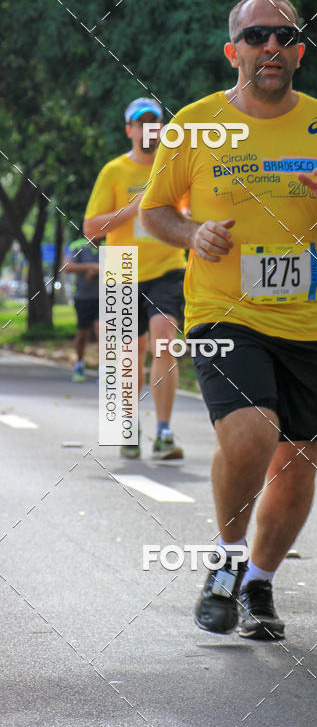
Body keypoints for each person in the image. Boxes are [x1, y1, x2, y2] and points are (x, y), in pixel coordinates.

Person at [140, 0, 317, 640]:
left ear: (298, 52)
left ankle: (260, 586)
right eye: (256, 37)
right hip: (223, 311)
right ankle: (225, 561)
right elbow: (152, 212)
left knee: (296, 465)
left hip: (309, 322)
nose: (270, 46)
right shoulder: (194, 124)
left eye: (283, 36)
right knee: (250, 433)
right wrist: (192, 235)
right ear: (233, 51)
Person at [83, 98, 187, 460]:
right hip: (121, 266)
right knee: (129, 354)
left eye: (154, 123)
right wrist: (134, 209)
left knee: (163, 341)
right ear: (130, 130)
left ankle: (163, 431)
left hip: (168, 265)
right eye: (140, 124)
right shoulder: (113, 171)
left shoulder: (176, 167)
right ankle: (127, 424)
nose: (148, 130)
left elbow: (195, 212)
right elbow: (91, 228)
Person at [63, 237, 101, 382]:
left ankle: (104, 369)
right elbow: (67, 267)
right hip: (83, 297)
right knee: (82, 334)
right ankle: (79, 363)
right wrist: (91, 266)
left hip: (106, 296)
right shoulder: (77, 245)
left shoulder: (111, 242)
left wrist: (100, 270)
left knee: (103, 331)